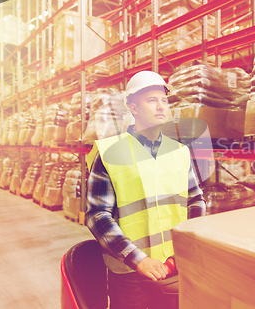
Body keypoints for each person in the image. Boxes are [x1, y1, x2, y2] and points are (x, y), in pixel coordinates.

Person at [85, 71, 206, 309]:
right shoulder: (110, 153)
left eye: (164, 100)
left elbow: (196, 201)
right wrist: (138, 259)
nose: (161, 107)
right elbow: (97, 215)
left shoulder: (179, 151)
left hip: (175, 264)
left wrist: (185, 251)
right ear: (133, 107)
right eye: (151, 100)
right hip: (129, 271)